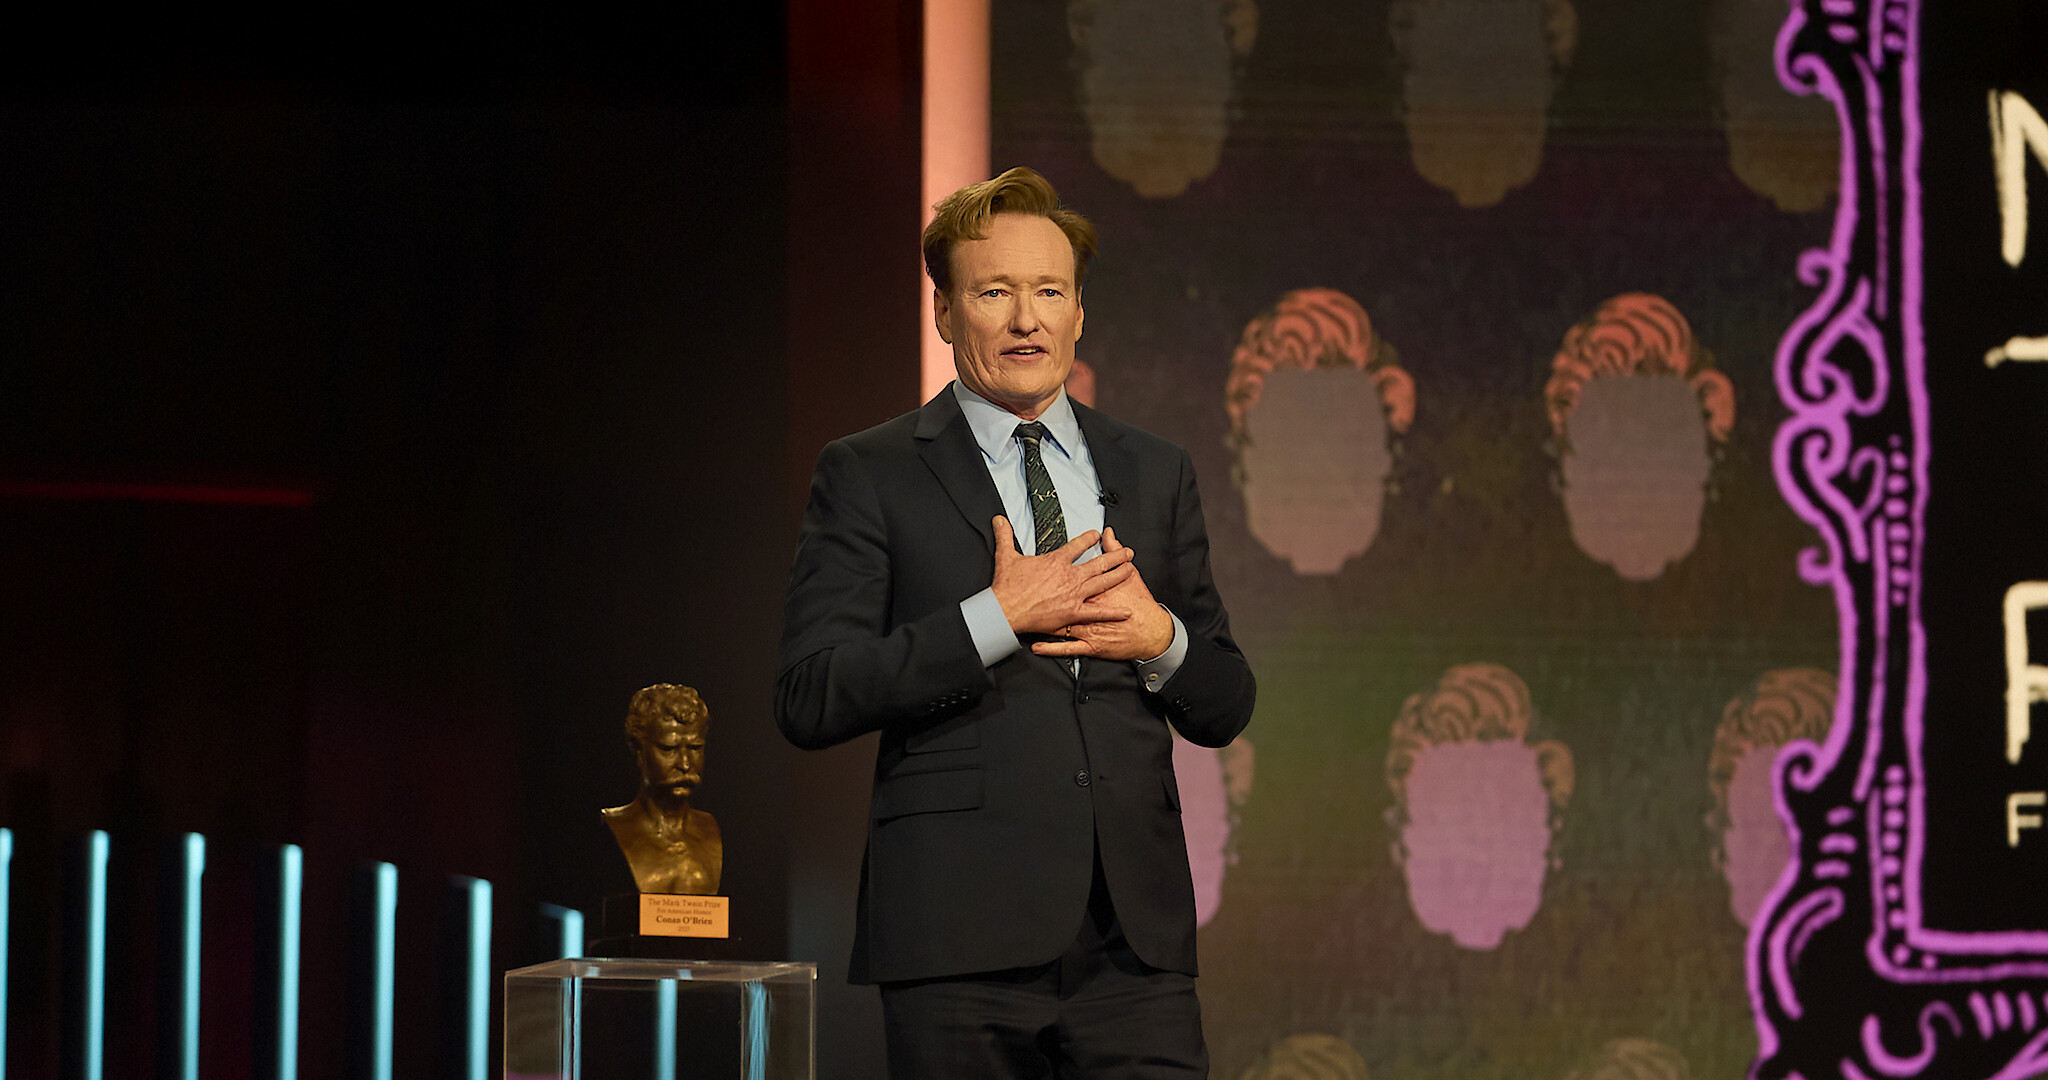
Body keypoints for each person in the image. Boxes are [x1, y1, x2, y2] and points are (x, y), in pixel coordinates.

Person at [775, 166, 1257, 1077]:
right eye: (994, 292)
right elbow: (811, 693)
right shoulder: (871, 471)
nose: (1026, 319)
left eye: (1050, 292)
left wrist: (1160, 641)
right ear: (945, 312)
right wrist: (995, 618)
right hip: (957, 939)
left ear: (1079, 313)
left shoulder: (1154, 470)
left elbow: (1226, 700)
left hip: (1133, 948)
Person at [601, 684, 722, 895]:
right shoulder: (616, 826)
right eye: (668, 748)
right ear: (638, 749)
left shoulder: (712, 831)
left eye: (695, 748)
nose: (685, 764)